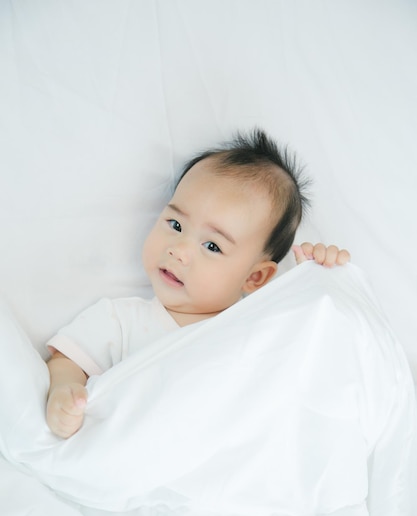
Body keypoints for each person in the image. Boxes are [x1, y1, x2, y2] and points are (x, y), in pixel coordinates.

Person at [46, 129, 350, 439]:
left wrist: (321, 279)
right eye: (176, 225)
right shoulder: (121, 320)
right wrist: (64, 392)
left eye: (212, 246)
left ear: (254, 277)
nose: (179, 250)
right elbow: (66, 359)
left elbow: (313, 355)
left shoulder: (258, 326)